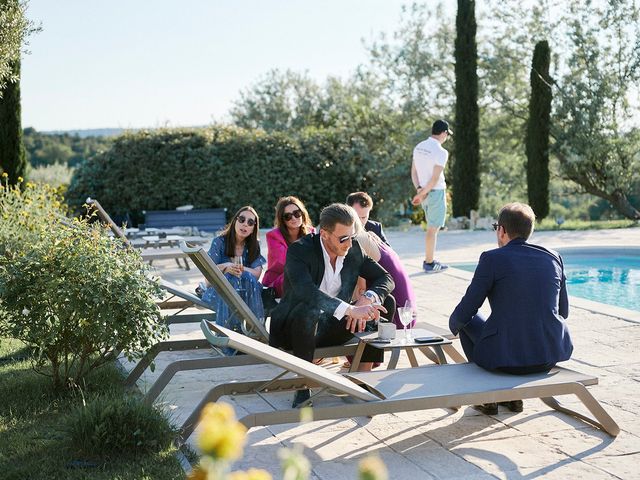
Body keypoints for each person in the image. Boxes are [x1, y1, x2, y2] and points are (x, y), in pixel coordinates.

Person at [449, 202, 573, 415]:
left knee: (467, 319)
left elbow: (467, 309)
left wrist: (452, 326)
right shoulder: (554, 257)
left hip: (504, 360)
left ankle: (487, 397)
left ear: (501, 230)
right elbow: (563, 312)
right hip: (547, 356)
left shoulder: (492, 259)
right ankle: (513, 399)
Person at [269, 203, 395, 407]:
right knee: (307, 309)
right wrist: (351, 310)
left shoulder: (353, 249)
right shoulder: (299, 251)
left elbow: (386, 278)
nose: (348, 243)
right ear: (325, 234)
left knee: (385, 302)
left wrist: (367, 298)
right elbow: (306, 293)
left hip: (332, 326)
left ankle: (362, 379)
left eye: (351, 236)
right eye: (343, 238)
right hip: (294, 330)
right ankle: (303, 385)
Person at [202, 206, 266, 332]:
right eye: (241, 219)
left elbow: (257, 274)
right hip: (220, 292)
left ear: (253, 228)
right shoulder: (219, 242)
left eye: (250, 222)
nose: (245, 224)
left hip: (247, 291)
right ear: (235, 221)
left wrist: (240, 270)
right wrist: (227, 267)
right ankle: (231, 334)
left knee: (246, 278)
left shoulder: (254, 246)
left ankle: (253, 332)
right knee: (231, 279)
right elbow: (208, 278)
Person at [352, 216, 417, 329]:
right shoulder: (371, 235)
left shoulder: (358, 241)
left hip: (397, 316)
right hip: (409, 312)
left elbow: (360, 290)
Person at [411, 119, 453, 274]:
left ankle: (430, 260)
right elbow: (435, 178)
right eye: (447, 134)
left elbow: (414, 172)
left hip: (425, 193)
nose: (447, 137)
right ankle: (429, 263)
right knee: (432, 229)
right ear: (443, 133)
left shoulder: (419, 147)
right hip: (435, 193)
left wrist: (419, 191)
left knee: (431, 227)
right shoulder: (441, 152)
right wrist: (422, 193)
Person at [263, 196, 314, 298]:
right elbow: (285, 262)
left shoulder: (311, 232)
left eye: (297, 213)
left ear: (302, 214)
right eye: (288, 216)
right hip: (278, 282)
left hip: (304, 279)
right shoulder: (273, 236)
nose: (294, 218)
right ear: (282, 220)